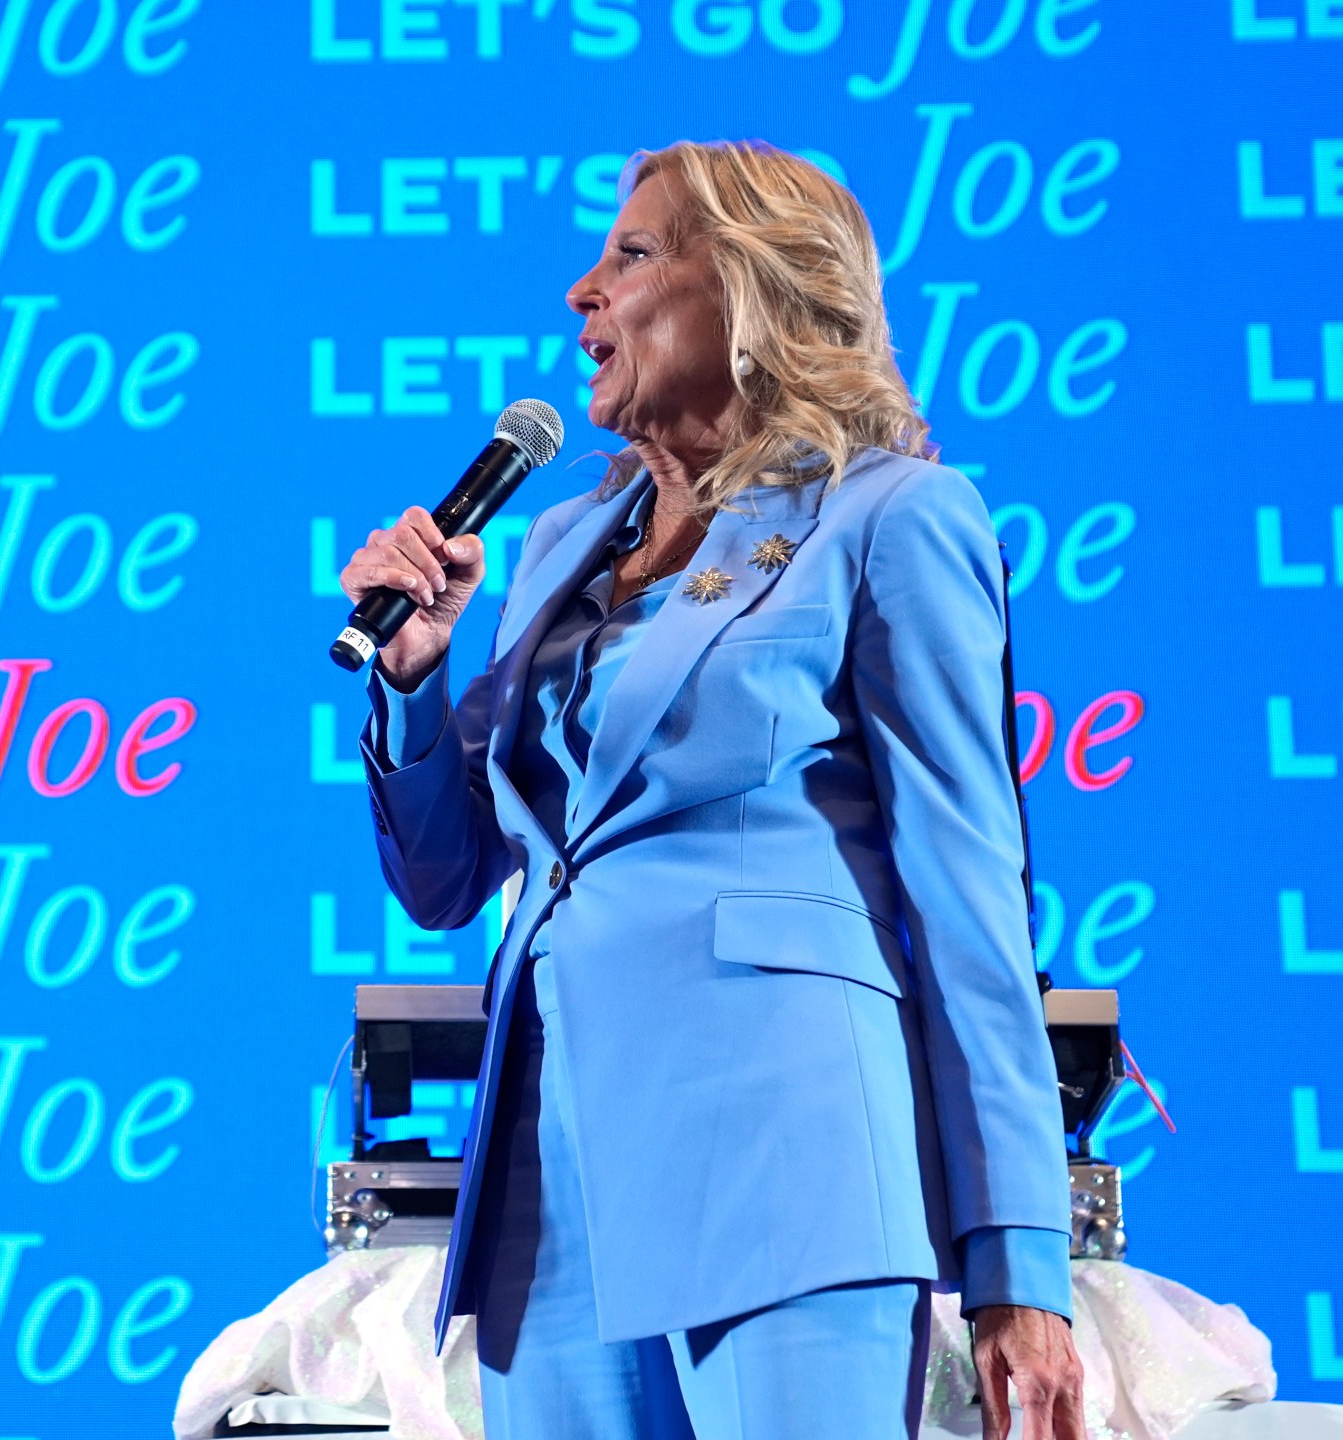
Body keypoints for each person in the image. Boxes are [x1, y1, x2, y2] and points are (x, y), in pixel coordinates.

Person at [340, 141, 1087, 1440]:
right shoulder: (565, 545)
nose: (582, 290)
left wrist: (1018, 1260)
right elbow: (445, 879)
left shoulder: (892, 516)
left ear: (752, 291)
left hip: (784, 1166)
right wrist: (414, 673)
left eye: (631, 256)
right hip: (554, 1195)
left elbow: (972, 901)